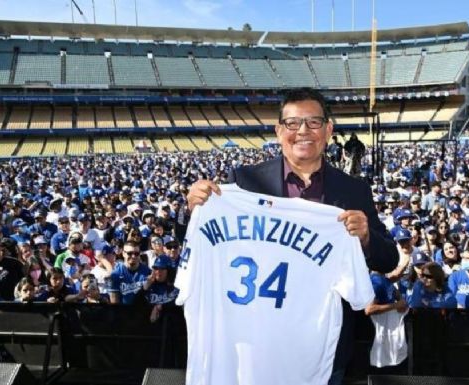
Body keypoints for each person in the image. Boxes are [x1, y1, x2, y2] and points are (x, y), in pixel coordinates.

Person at [186, 87, 398, 385]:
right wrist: (193, 209)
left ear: (328, 130)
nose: (303, 131)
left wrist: (365, 237)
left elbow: (389, 259)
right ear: (278, 130)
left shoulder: (354, 189)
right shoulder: (244, 182)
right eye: (292, 123)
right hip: (253, 342)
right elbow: (202, 242)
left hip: (323, 348)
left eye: (313, 123)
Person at [109, 240, 151, 304]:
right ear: (123, 253)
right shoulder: (116, 274)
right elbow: (114, 301)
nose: (133, 256)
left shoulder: (147, 271)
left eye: (136, 254)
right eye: (129, 253)